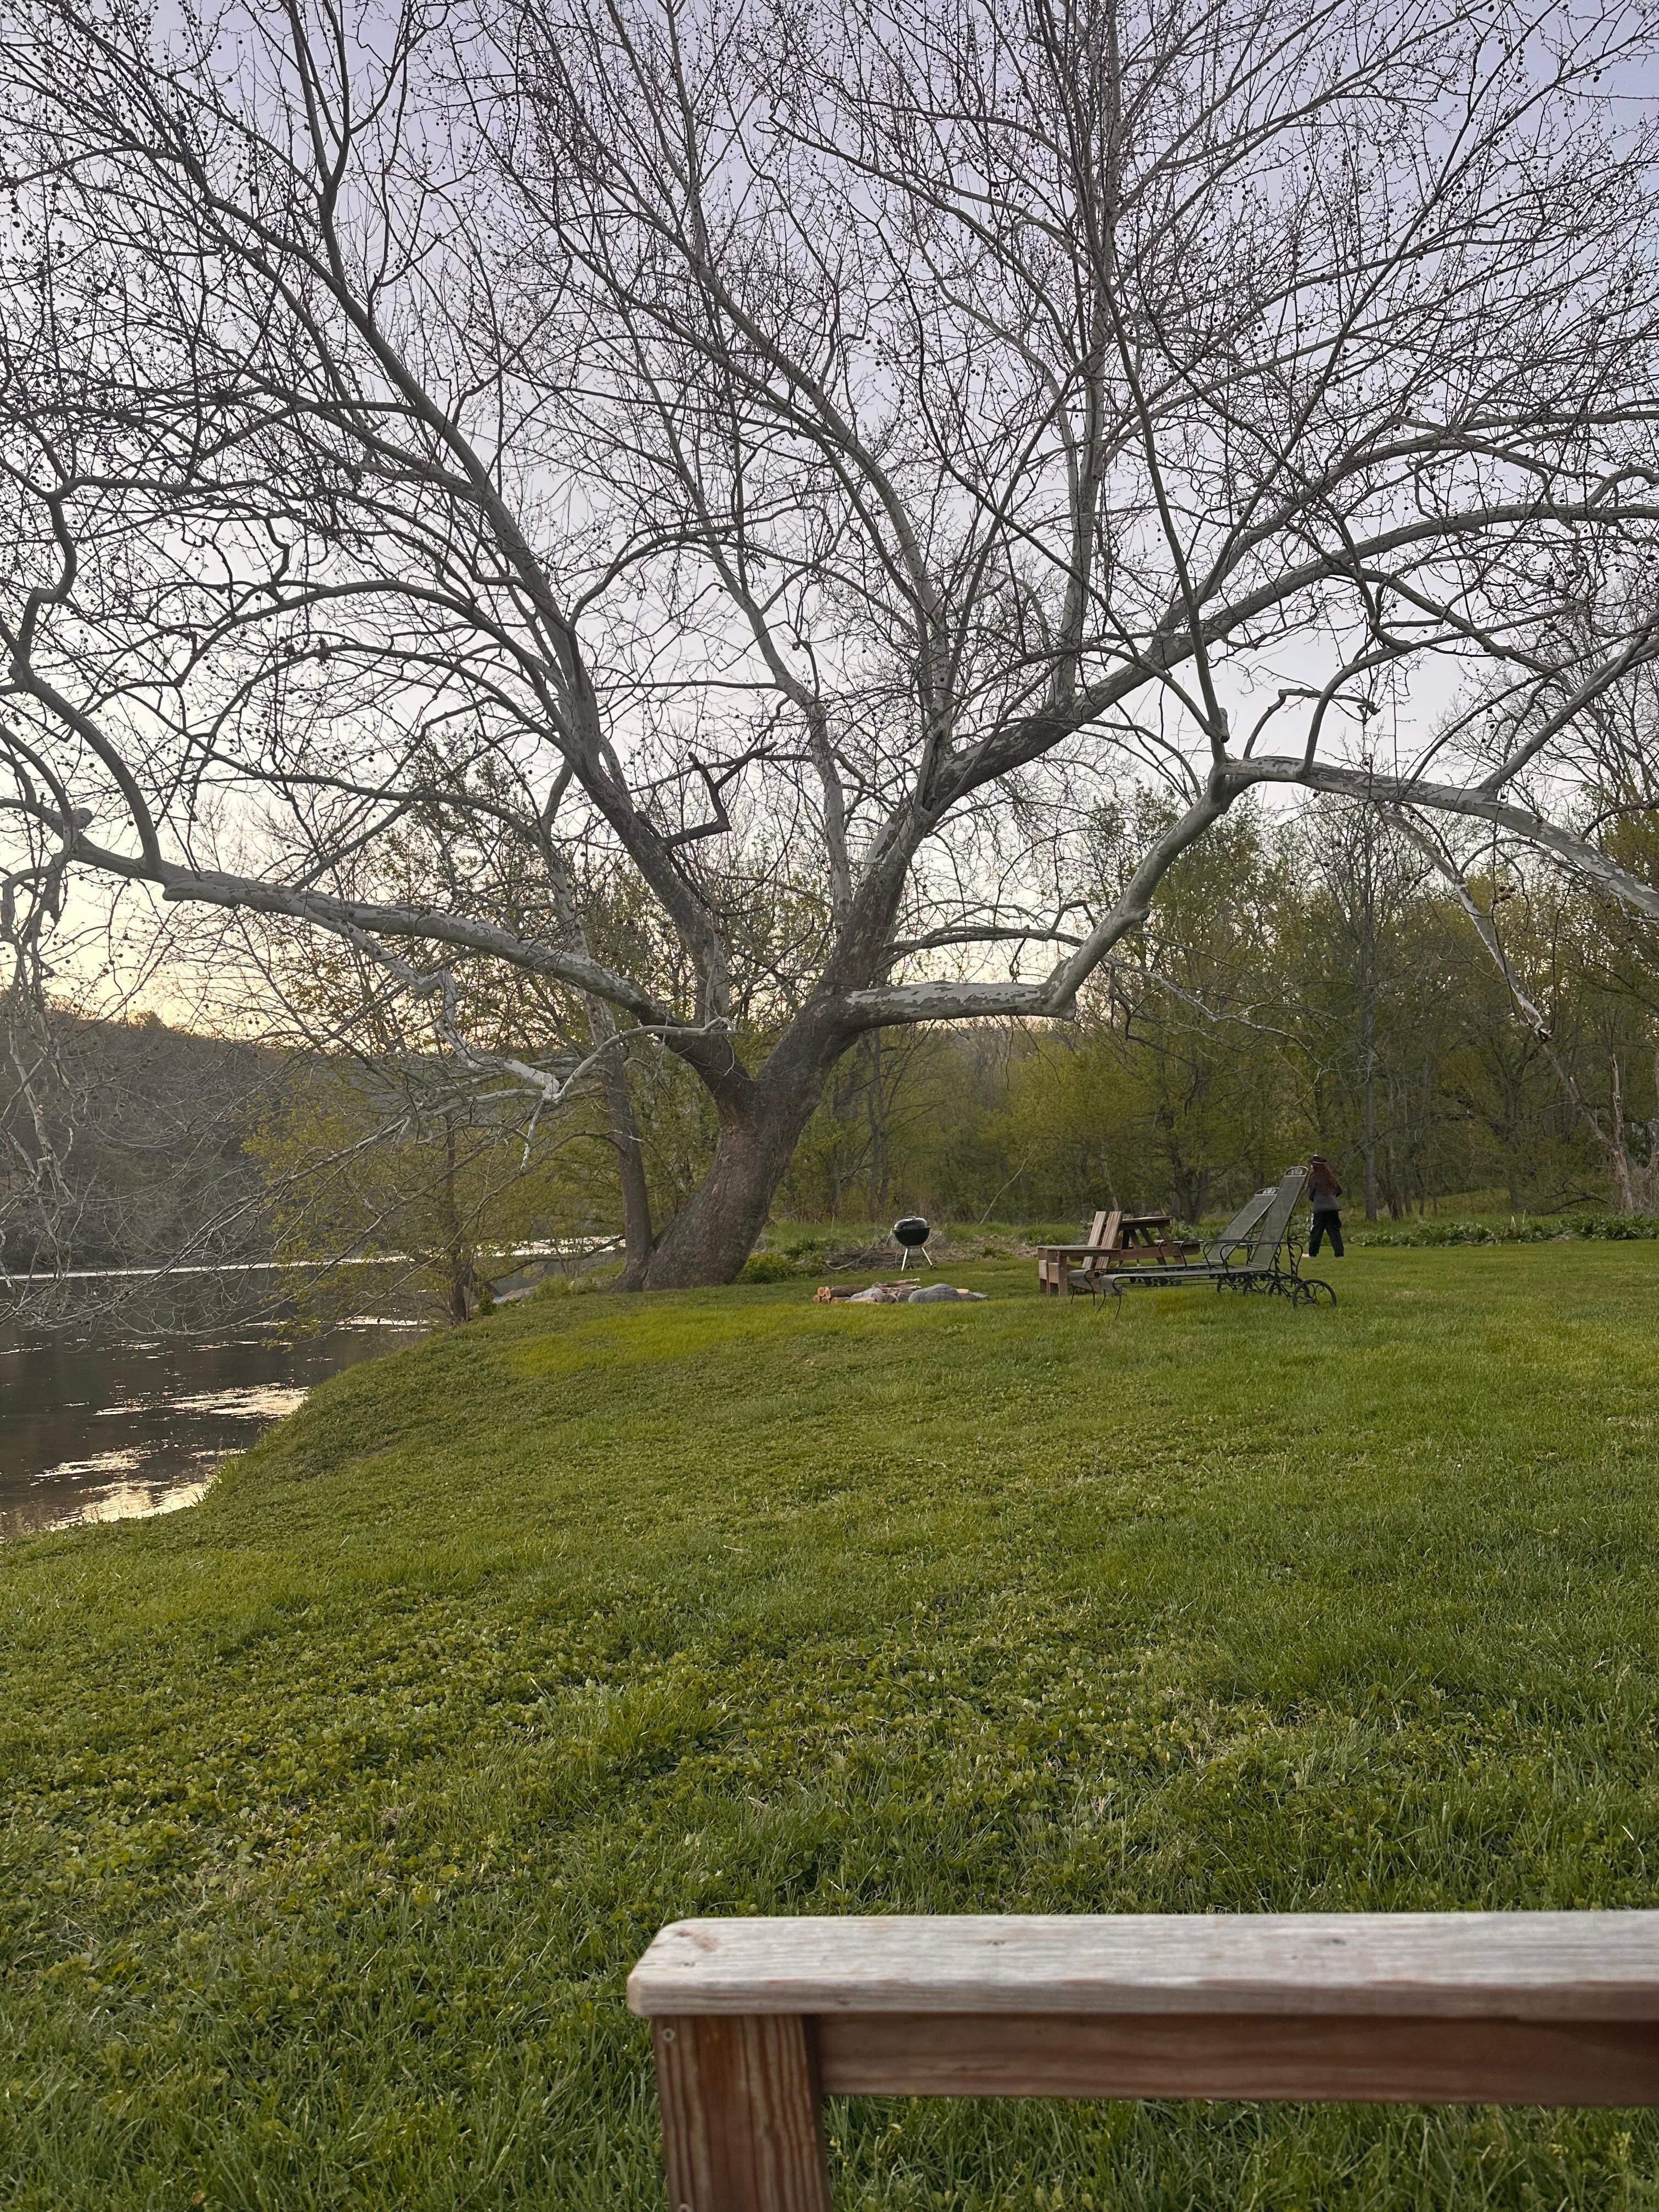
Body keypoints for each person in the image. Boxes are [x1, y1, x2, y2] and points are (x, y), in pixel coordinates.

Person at [1306, 1155, 1344, 1257]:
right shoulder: (1330, 1176)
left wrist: (1316, 1199)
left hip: (1320, 1208)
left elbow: (1311, 1193)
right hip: (1333, 1207)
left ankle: (1313, 1253)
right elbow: (1339, 1191)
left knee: (1317, 1232)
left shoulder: (1314, 1176)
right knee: (1334, 1231)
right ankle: (1339, 1253)